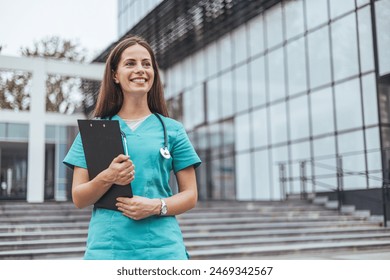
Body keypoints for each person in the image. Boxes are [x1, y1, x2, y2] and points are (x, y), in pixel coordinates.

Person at [63, 35, 201, 260]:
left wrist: (156, 206)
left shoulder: (173, 130)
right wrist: (108, 177)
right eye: (130, 63)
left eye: (147, 64)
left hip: (163, 250)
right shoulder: (94, 130)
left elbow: (190, 194)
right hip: (108, 249)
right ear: (115, 75)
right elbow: (79, 198)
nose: (140, 70)